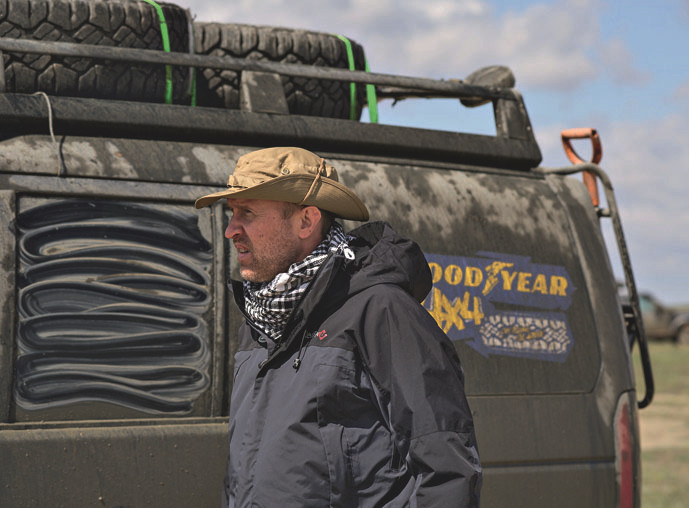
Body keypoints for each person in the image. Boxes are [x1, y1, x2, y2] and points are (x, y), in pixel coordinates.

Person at [195, 146, 482, 508]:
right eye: (232, 213)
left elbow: (446, 469)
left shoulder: (381, 310)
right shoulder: (258, 321)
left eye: (247, 213)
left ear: (306, 221)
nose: (230, 230)